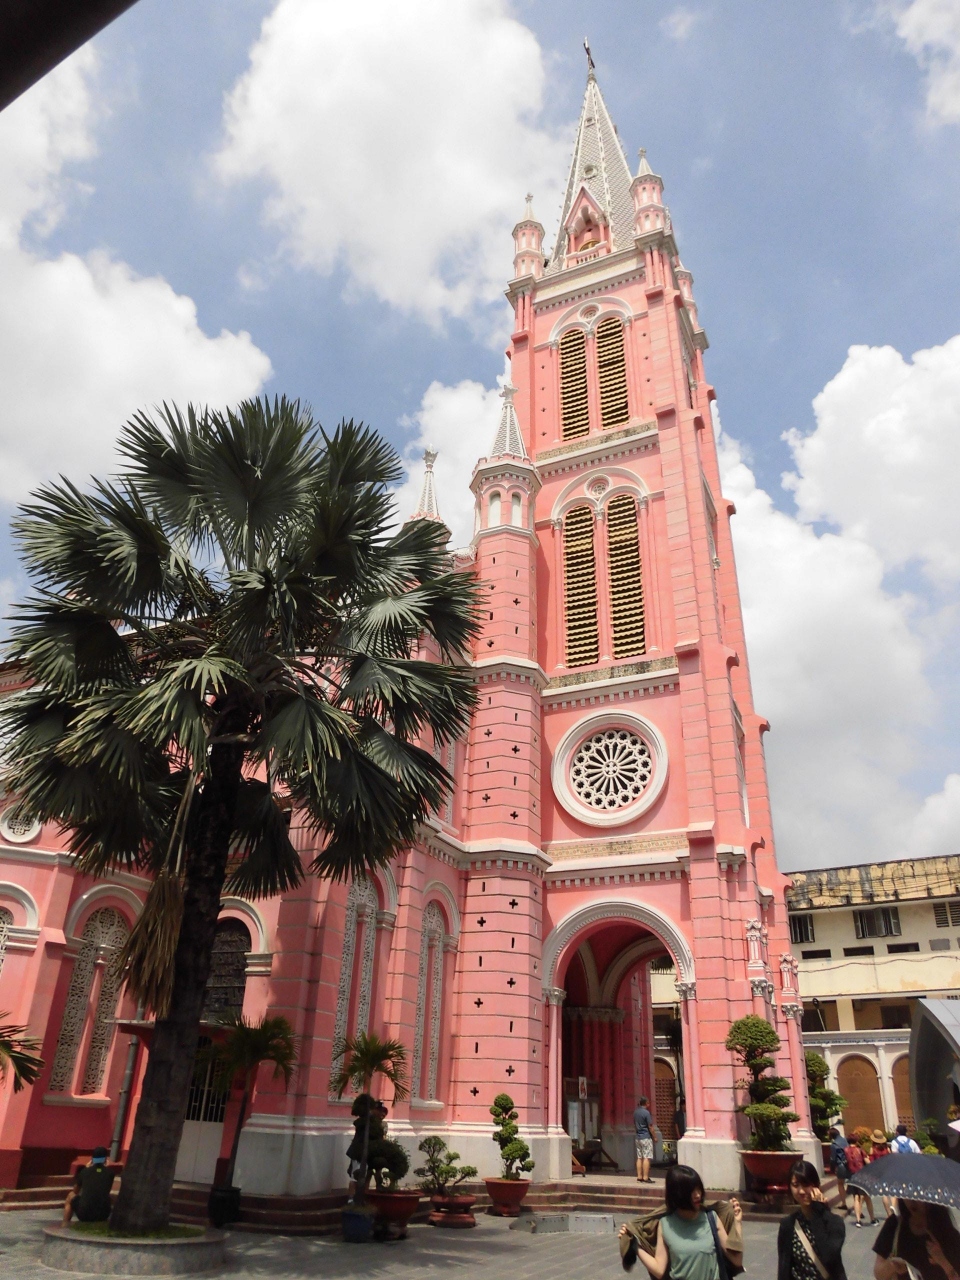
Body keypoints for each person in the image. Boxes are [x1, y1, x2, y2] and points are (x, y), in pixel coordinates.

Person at [618, 1163, 743, 1279]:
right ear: (678, 1194)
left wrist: (737, 1223)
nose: (698, 1195)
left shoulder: (711, 1218)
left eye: (699, 1189)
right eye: (691, 1191)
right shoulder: (665, 1224)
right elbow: (659, 1270)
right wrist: (635, 1246)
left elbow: (736, 1260)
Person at [777, 1160, 848, 1280]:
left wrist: (817, 1213)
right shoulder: (787, 1225)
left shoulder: (834, 1222)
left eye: (806, 1184)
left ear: (817, 1186)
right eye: (795, 1185)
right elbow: (783, 1269)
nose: (801, 1191)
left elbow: (829, 1257)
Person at [873, 1199, 960, 1279]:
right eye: (907, 1195)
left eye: (920, 1199)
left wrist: (943, 1261)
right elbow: (878, 1274)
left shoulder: (947, 1232)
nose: (912, 1201)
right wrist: (892, 1265)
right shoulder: (894, 1225)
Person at [62, 1146, 115, 1225]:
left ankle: (65, 1224)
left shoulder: (85, 1172)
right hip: (103, 1215)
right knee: (109, 1197)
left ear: (92, 1159)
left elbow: (75, 1191)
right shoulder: (110, 1173)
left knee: (70, 1195)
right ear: (105, 1159)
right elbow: (104, 1187)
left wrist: (87, 1169)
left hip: (84, 1214)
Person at [846, 1135, 878, 1228]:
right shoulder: (860, 1150)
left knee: (856, 1197)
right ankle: (872, 1219)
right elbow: (868, 1162)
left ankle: (858, 1220)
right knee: (867, 1197)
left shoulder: (845, 1150)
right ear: (856, 1141)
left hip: (852, 1175)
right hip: (862, 1175)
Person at [634, 1095, 659, 1184]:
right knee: (646, 1157)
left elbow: (635, 1124)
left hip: (638, 1137)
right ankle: (645, 1177)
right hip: (646, 1137)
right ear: (646, 1103)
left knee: (639, 1157)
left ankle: (639, 1176)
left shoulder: (635, 1112)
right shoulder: (646, 1113)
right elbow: (650, 1126)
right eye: (648, 1103)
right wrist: (655, 1136)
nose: (649, 1104)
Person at [869, 1130, 895, 1218]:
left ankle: (889, 1214)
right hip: (888, 1170)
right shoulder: (887, 1148)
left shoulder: (872, 1149)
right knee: (892, 1192)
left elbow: (871, 1162)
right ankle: (894, 1207)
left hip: (879, 1172)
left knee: (884, 1194)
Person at [829, 1127, 851, 1212]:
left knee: (840, 1184)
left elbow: (833, 1158)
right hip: (849, 1164)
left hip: (841, 1165)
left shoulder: (834, 1145)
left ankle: (844, 1203)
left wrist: (832, 1168)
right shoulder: (845, 1141)